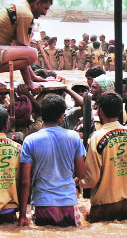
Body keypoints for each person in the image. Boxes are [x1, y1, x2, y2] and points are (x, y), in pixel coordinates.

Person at [18, 94, 86, 227]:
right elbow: (81, 174)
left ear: (42, 115)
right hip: (68, 202)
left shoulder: (30, 140)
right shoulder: (74, 137)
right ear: (61, 116)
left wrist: (22, 215)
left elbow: (25, 181)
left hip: (42, 203)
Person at [80, 92, 127, 222]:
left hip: (105, 203)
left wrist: (80, 181)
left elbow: (92, 178)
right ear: (120, 111)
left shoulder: (96, 137)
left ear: (100, 111)